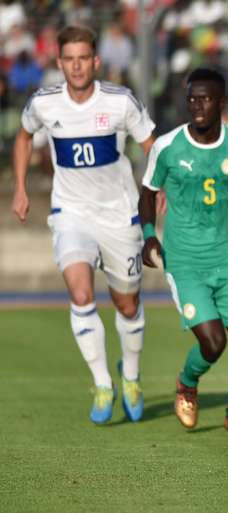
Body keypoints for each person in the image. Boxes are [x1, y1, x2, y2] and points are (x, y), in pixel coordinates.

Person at [11, 25, 155, 425]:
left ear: (96, 61)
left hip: (119, 215)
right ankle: (103, 382)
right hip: (71, 214)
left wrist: (157, 191)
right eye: (68, 59)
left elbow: (152, 146)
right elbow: (23, 138)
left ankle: (131, 375)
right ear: (60, 63)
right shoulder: (44, 103)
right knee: (79, 292)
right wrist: (20, 188)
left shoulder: (120, 101)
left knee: (127, 303)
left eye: (83, 58)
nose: (76, 66)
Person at [138, 67, 228, 433]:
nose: (196, 105)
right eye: (191, 99)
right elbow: (147, 192)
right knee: (213, 342)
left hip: (227, 261)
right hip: (185, 263)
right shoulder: (168, 147)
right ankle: (187, 383)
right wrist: (148, 235)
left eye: (204, 99)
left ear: (221, 102)